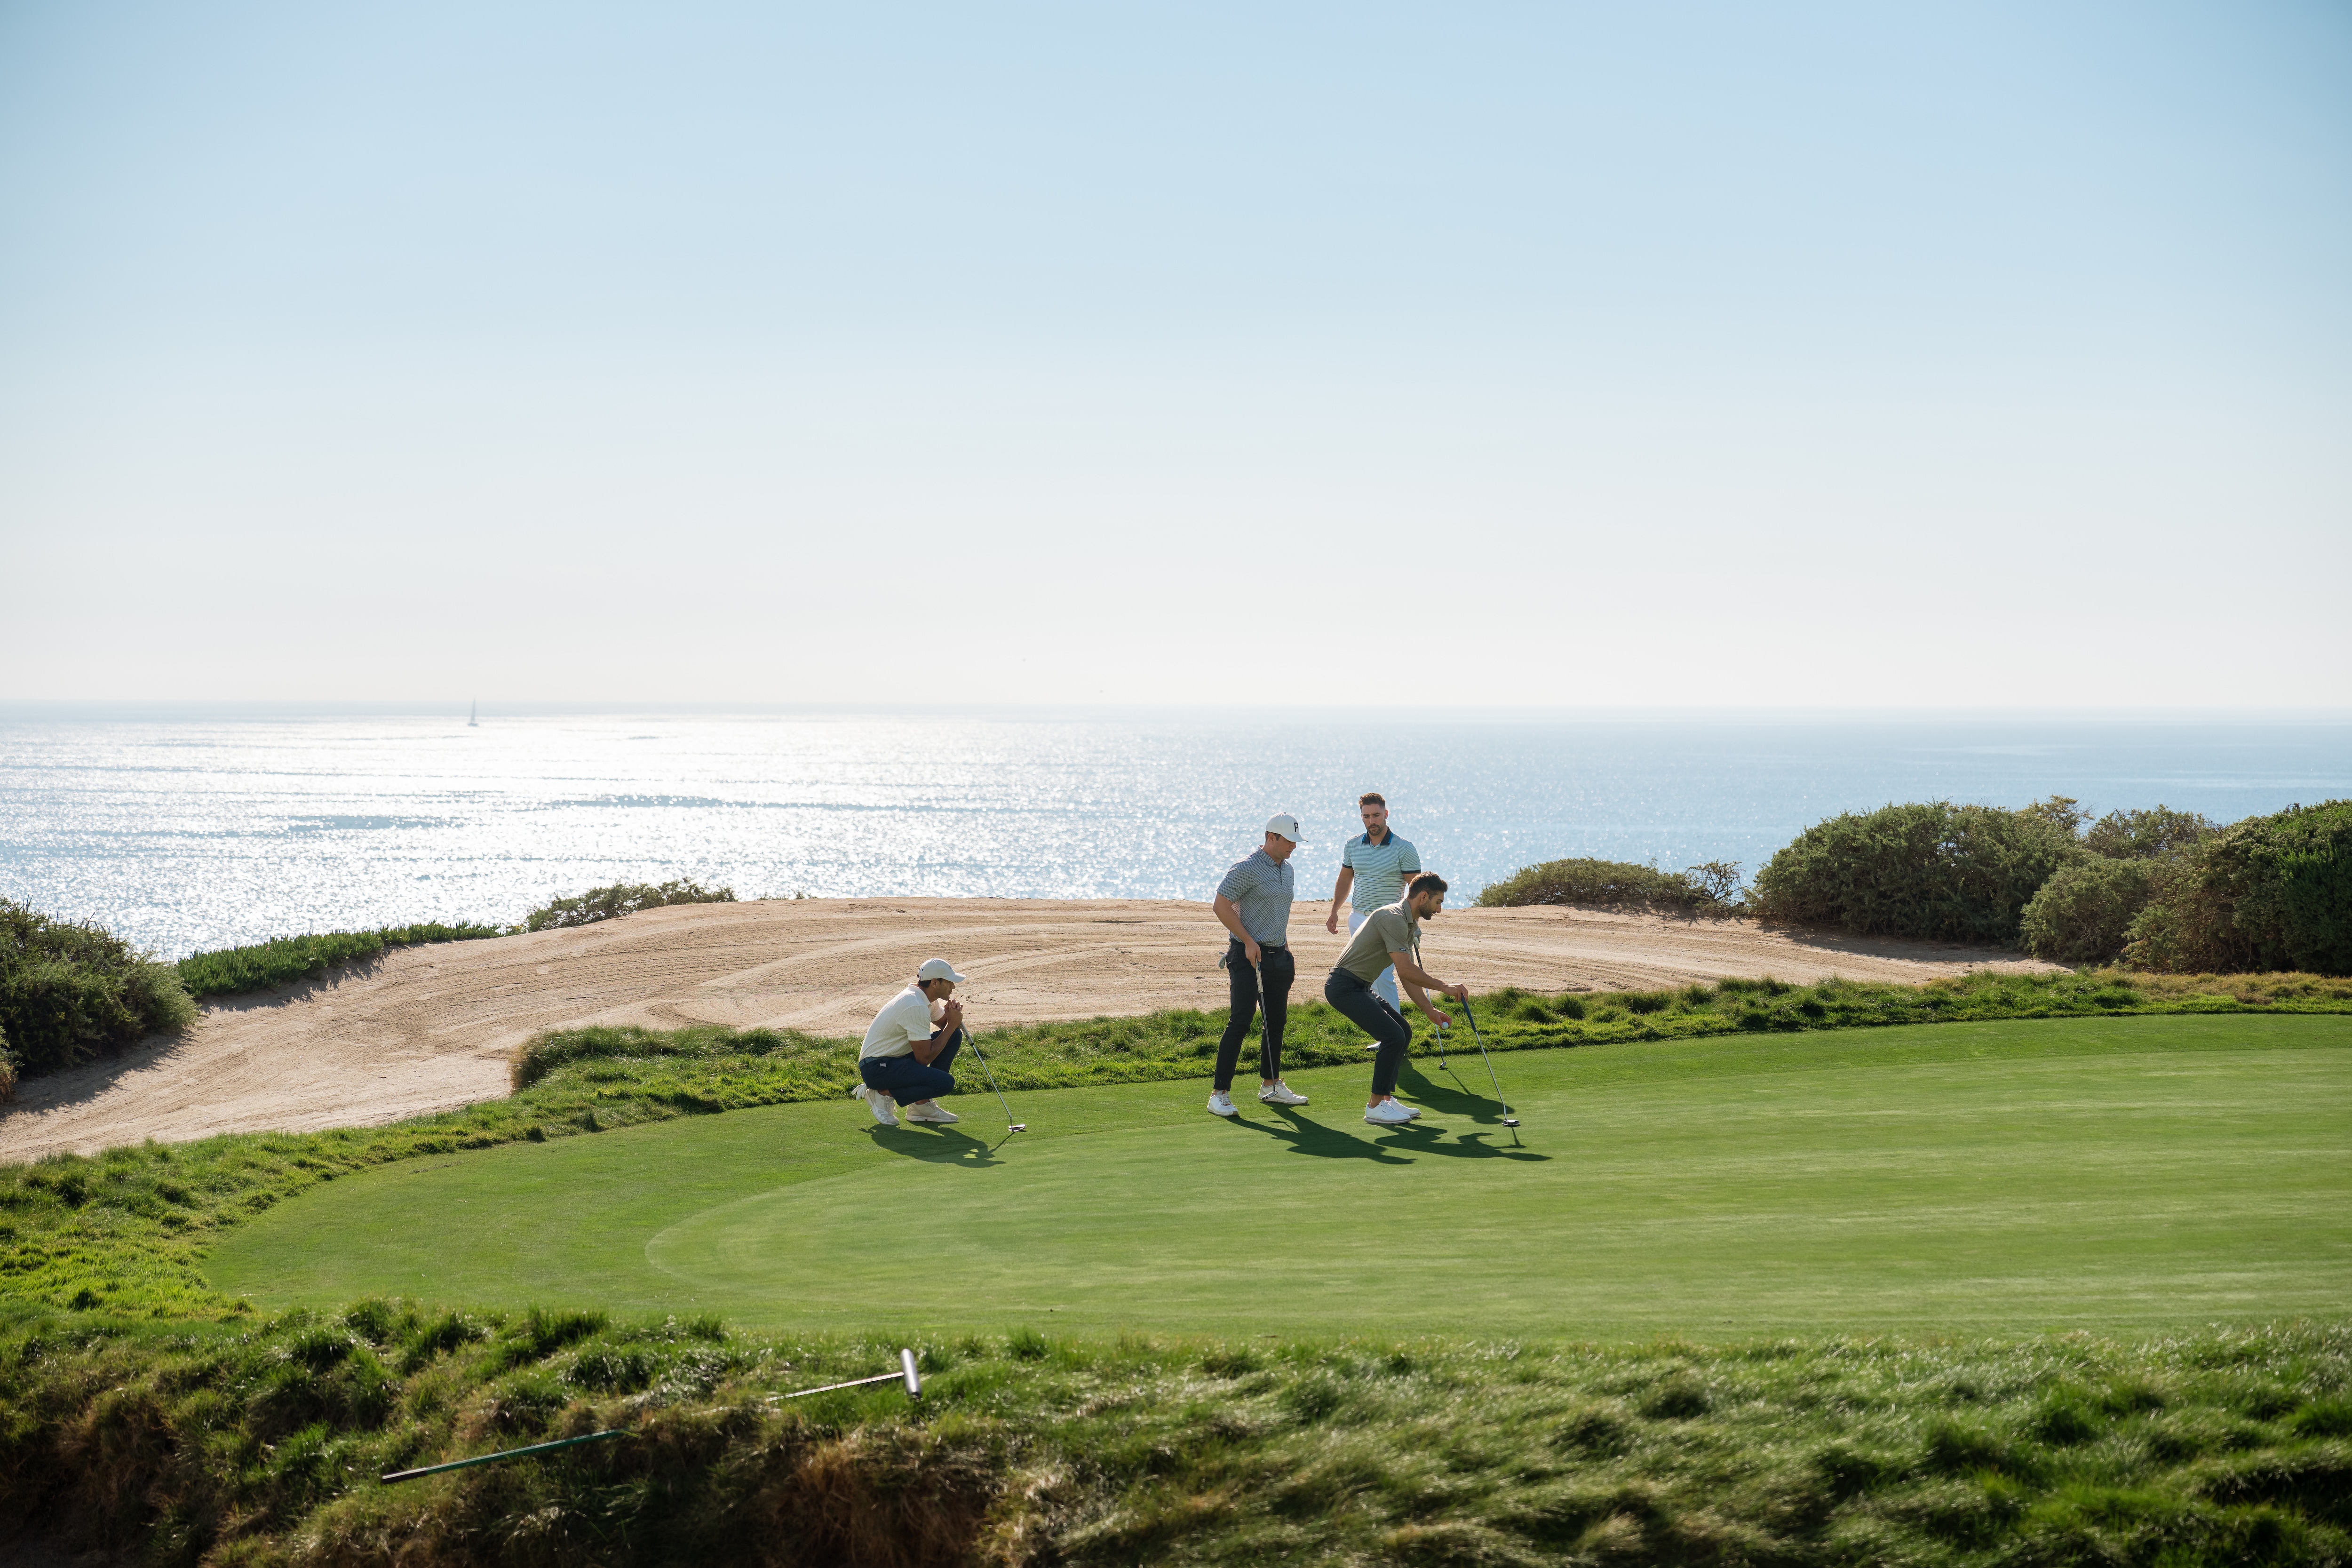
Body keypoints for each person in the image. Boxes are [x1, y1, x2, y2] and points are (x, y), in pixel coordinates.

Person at [1325, 872, 1470, 1125]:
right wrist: (1446, 987)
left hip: (1360, 987)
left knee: (1403, 1031)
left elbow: (1408, 976)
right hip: (1343, 986)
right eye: (1438, 902)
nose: (1439, 910)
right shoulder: (1392, 918)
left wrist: (1430, 1010)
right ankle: (1375, 1105)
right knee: (1392, 1036)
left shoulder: (1409, 923)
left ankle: (1386, 1098)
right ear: (1423, 897)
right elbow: (1405, 971)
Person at [1206, 813, 1309, 1116]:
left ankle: (1271, 1084)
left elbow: (1276, 911)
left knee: (1275, 1022)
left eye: (1295, 841)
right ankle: (1219, 1094)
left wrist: (1285, 945)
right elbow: (1221, 906)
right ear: (1271, 837)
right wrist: (1248, 940)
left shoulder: (1287, 870)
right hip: (1247, 955)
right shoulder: (1245, 868)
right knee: (1241, 1020)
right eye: (1289, 841)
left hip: (1278, 955)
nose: (1294, 846)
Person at [1323, 792, 1422, 1036]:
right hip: (1358, 918)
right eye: (1366, 816)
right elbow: (1346, 879)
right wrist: (1335, 910)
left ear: (1386, 814)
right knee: (1363, 979)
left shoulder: (1404, 848)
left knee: (1384, 977)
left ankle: (1397, 1035)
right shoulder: (1353, 845)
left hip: (1390, 922)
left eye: (1376, 815)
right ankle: (1387, 1034)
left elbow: (1418, 891)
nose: (1372, 821)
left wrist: (1414, 926)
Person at [854, 958, 969, 1127]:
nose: (953, 987)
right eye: (950, 982)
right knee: (945, 1083)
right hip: (877, 1068)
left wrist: (951, 1017)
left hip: (895, 1059)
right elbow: (924, 1058)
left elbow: (946, 1027)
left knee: (953, 1037)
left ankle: (920, 1105)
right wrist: (952, 1025)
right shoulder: (916, 1005)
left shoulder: (924, 998)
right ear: (935, 983)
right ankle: (881, 1094)